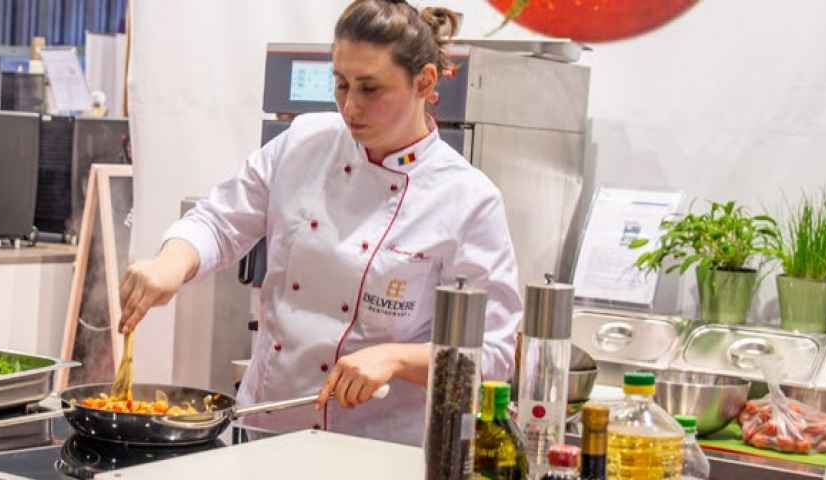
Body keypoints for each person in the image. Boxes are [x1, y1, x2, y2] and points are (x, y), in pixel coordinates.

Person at [117, 0, 524, 445]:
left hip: (377, 450)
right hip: (266, 428)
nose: (350, 107)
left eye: (370, 89)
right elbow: (218, 221)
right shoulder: (305, 142)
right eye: (341, 84)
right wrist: (170, 265)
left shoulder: (467, 199)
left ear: (424, 82)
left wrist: (397, 359)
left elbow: (492, 357)